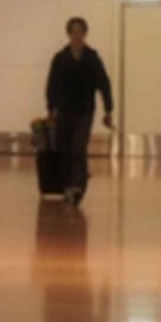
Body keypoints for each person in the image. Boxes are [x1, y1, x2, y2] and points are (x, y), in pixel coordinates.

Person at [45, 16, 113, 205]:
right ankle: (67, 186)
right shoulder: (60, 58)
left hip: (84, 111)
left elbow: (104, 84)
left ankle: (78, 187)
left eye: (80, 32)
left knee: (78, 147)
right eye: (73, 32)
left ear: (85, 34)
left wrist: (108, 109)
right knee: (65, 149)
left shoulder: (92, 58)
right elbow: (52, 85)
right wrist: (51, 108)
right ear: (69, 34)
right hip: (64, 111)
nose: (77, 35)